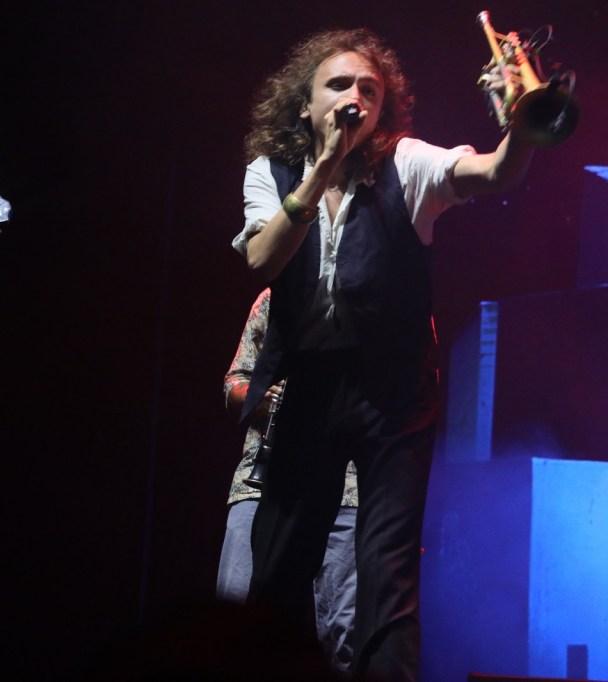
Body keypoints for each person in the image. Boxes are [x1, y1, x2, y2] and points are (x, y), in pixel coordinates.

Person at [232, 28, 542, 682]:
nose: (354, 98)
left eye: (368, 89)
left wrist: (522, 124)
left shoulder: (406, 162)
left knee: (387, 568)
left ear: (383, 106)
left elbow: (494, 171)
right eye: (338, 85)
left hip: (394, 390)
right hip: (311, 383)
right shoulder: (273, 172)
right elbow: (261, 258)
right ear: (307, 105)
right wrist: (319, 172)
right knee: (279, 560)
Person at [216, 287, 358, 673]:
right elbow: (234, 383)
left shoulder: (377, 294)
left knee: (343, 634)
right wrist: (263, 394)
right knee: (234, 616)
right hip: (262, 481)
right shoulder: (273, 297)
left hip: (347, 485)